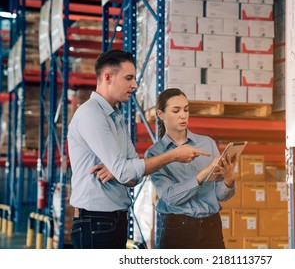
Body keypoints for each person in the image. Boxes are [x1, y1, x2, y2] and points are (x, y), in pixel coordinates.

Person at [67, 50, 209, 249]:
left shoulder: (115, 118)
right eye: (128, 78)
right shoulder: (91, 115)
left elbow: (133, 178)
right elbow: (126, 171)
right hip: (95, 222)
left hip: (114, 222)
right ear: (107, 77)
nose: (134, 84)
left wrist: (119, 171)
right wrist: (173, 155)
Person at [145, 88, 237, 249]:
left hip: (212, 227)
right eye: (176, 110)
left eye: (186, 110)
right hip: (178, 230)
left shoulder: (207, 143)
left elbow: (219, 195)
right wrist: (203, 174)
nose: (183, 115)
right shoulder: (155, 154)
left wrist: (228, 181)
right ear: (161, 115)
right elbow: (170, 197)